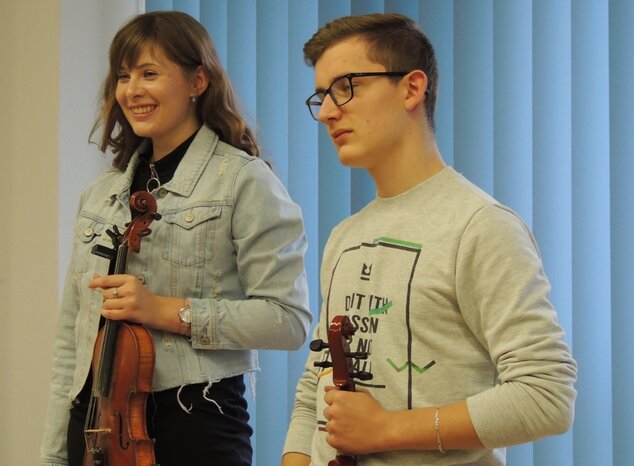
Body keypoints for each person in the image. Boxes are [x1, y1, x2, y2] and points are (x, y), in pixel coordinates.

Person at [282, 12, 576, 466]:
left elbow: (546, 396)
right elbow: (315, 386)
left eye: (345, 86)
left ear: (411, 88)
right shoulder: (345, 236)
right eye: (321, 95)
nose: (326, 112)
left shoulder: (481, 226)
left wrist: (386, 429)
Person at [40, 11, 311, 466]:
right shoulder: (101, 194)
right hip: (94, 425)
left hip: (194, 421)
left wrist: (165, 310)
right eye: (124, 76)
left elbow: (288, 320)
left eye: (150, 73)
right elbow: (72, 337)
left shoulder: (244, 181)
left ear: (197, 81)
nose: (132, 90)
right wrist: (52, 455)